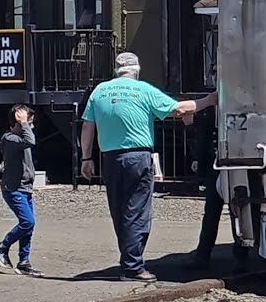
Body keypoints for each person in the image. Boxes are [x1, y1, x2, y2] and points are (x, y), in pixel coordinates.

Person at [79, 52, 216, 282]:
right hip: (137, 157)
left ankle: (128, 260)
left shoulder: (99, 91)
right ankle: (132, 268)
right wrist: (209, 100)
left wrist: (85, 158)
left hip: (110, 158)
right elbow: (179, 109)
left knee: (119, 211)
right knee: (137, 211)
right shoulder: (143, 90)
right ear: (137, 70)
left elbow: (87, 127)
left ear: (116, 70)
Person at [186, 105, 250, 272]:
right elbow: (203, 137)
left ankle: (236, 256)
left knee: (234, 211)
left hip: (231, 163)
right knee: (218, 212)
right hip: (219, 163)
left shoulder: (212, 108)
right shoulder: (212, 109)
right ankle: (206, 255)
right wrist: (199, 158)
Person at [0, 104, 43, 276]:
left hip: (25, 187)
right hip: (13, 189)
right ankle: (2, 246)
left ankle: (24, 261)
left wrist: (26, 124)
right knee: (28, 222)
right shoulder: (10, 139)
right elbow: (30, 141)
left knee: (28, 226)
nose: (31, 126)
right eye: (29, 122)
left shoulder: (19, 139)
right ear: (18, 122)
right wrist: (23, 123)